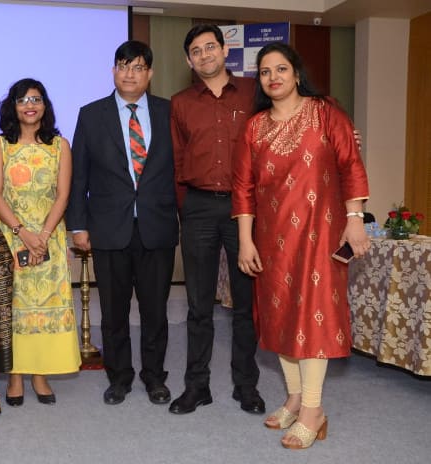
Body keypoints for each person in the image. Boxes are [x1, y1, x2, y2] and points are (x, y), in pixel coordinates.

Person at [232, 42, 370, 449]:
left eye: (281, 69)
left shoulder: (326, 113)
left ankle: (313, 409)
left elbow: (351, 166)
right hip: (272, 238)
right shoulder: (254, 127)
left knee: (313, 317)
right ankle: (294, 398)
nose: (273, 77)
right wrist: (245, 241)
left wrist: (355, 219)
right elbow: (243, 188)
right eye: (265, 72)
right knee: (280, 315)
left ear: (296, 73)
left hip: (320, 233)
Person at [66, 40, 178, 406]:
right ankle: (119, 377)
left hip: (156, 226)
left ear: (150, 73)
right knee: (113, 312)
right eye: (123, 66)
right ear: (114, 71)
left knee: (155, 311)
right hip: (108, 228)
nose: (130, 73)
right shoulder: (91, 114)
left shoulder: (169, 112)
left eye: (138, 66)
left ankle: (154, 376)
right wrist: (78, 226)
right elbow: (79, 175)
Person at [169, 24, 264, 416]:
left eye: (210, 47)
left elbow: (295, 112)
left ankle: (246, 386)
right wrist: (186, 210)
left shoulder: (254, 91)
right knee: (198, 305)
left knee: (245, 304)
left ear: (225, 50)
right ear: (188, 60)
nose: (204, 54)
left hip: (245, 210)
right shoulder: (180, 103)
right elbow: (177, 159)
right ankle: (197, 387)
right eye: (196, 50)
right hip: (199, 208)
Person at [0, 78, 81, 406]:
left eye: (36, 99)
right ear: (12, 106)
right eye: (23, 100)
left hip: (49, 238)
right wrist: (22, 232)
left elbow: (63, 195)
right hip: (12, 237)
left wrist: (42, 236)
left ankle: (40, 373)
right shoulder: (0, 145)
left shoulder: (60, 145)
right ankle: (15, 375)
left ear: (45, 105)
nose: (30, 105)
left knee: (44, 308)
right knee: (15, 309)